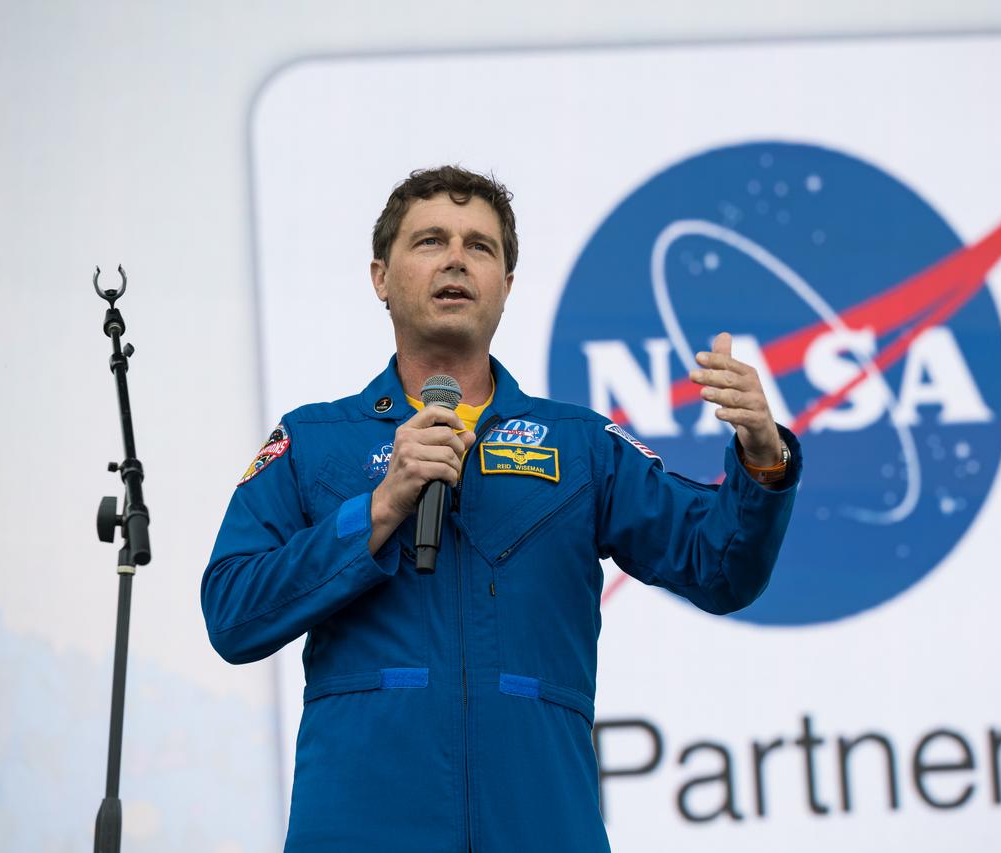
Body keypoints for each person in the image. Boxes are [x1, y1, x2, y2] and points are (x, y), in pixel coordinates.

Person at [202, 166, 802, 852]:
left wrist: (763, 453)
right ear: (380, 278)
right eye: (430, 241)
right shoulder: (313, 441)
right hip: (362, 828)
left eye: (480, 246)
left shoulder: (579, 445)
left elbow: (721, 568)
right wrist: (377, 510)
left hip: (541, 824)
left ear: (506, 287)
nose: (457, 257)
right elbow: (232, 612)